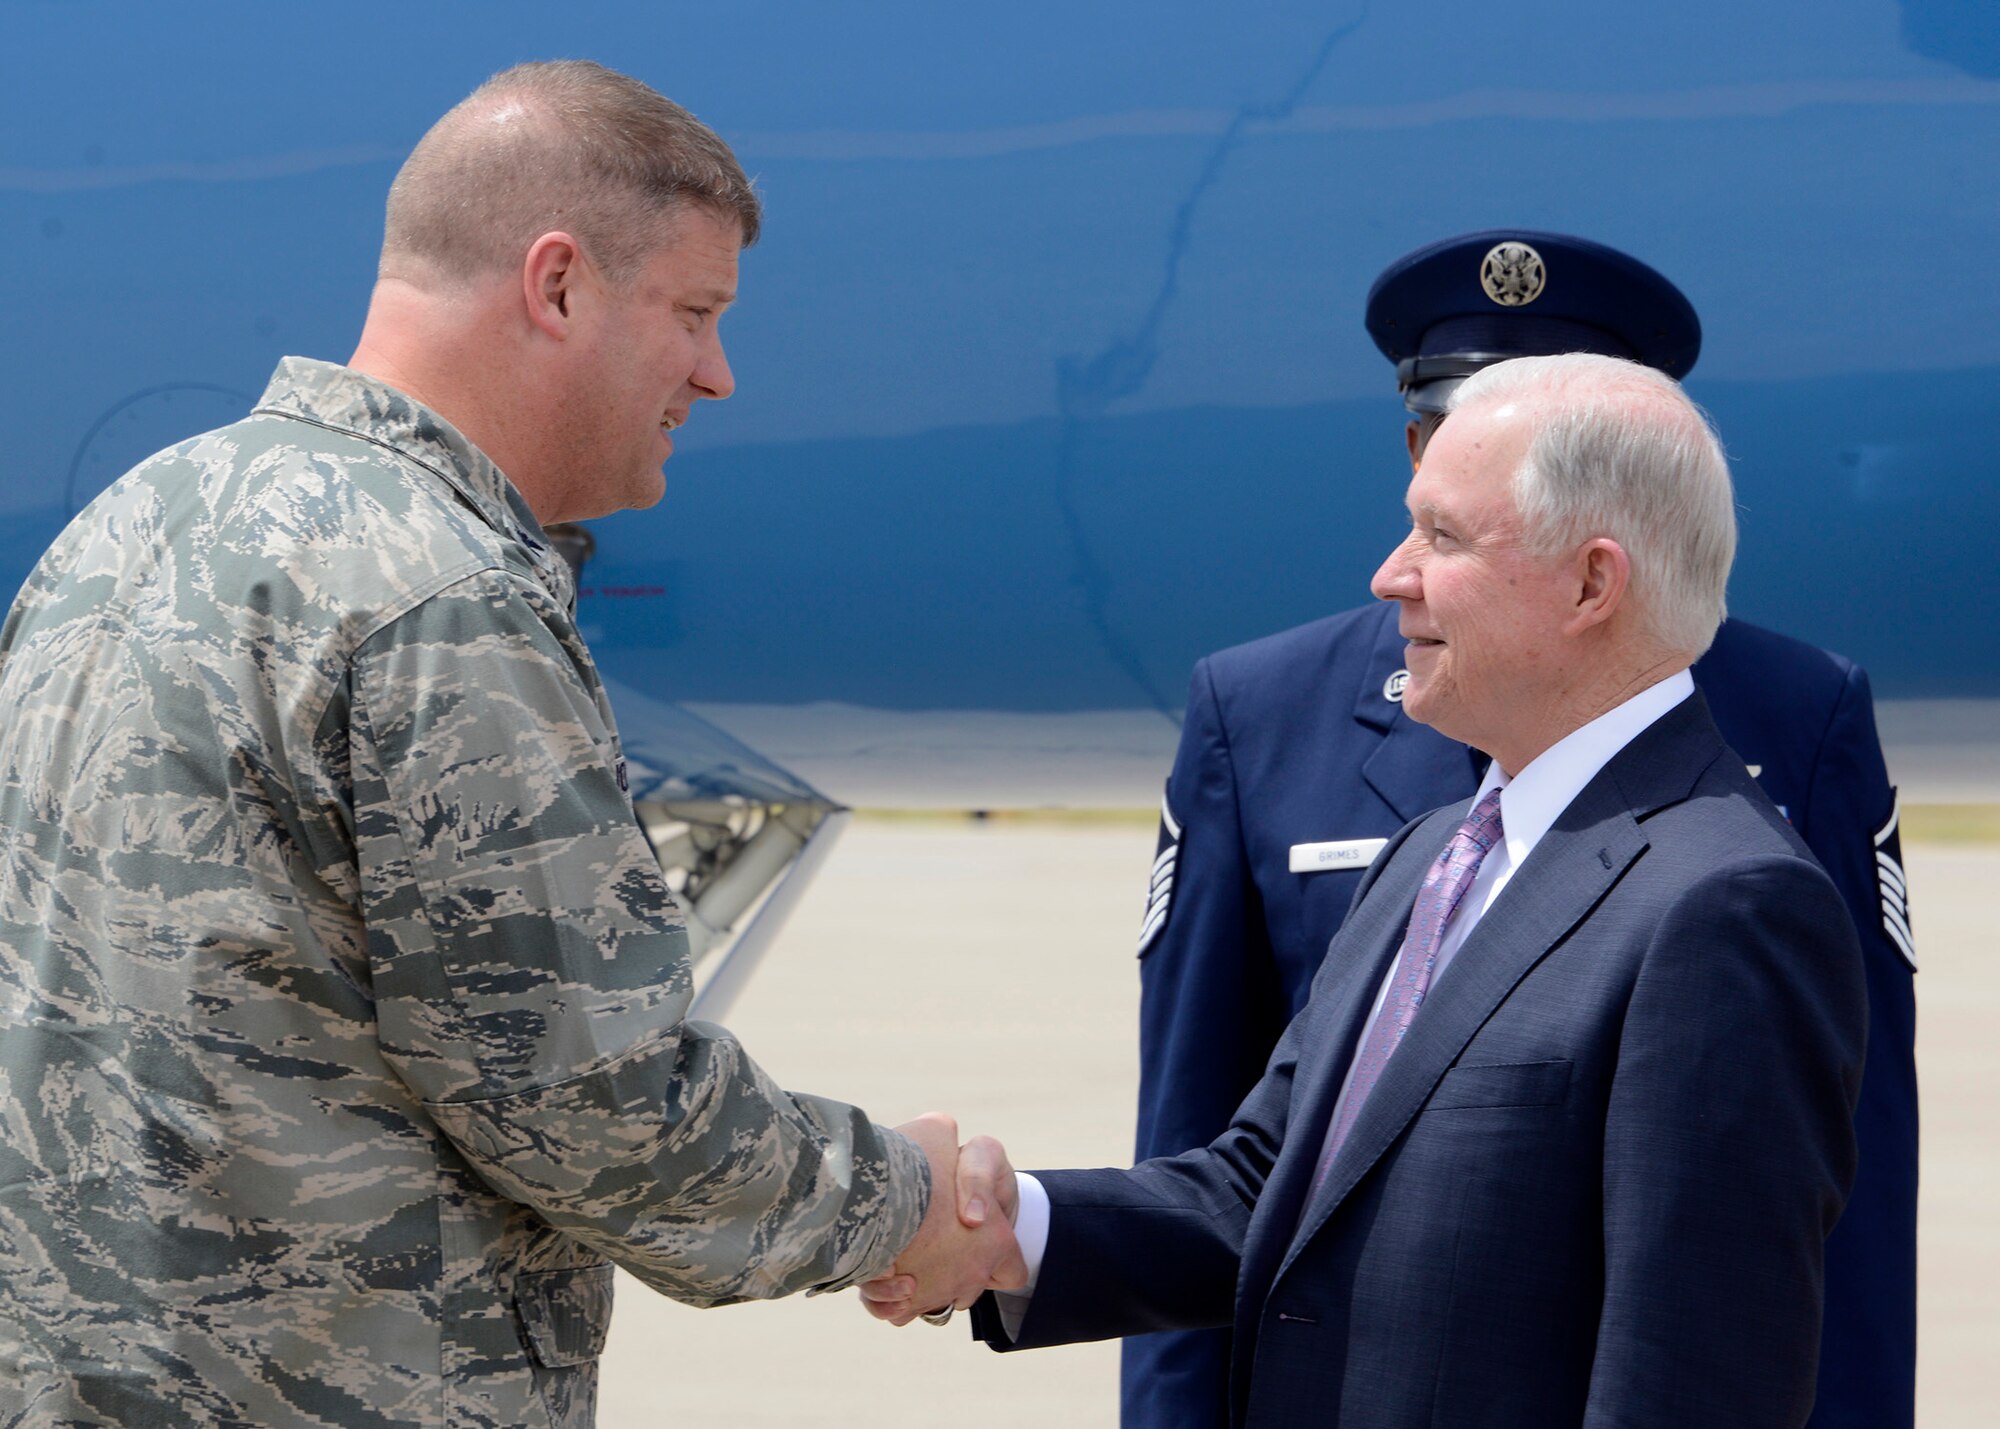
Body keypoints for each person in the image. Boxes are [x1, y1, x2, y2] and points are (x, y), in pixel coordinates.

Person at [0, 61, 1015, 1427]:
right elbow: (591, 1102)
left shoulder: (127, 527)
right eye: (695, 314)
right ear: (556, 286)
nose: (717, 373)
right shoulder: (440, 595)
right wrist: (899, 1196)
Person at [867, 352, 1870, 1428]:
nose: (1390, 574)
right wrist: (997, 1224)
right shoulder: (1432, 854)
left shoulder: (1722, 905)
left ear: (1591, 584)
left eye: (1442, 537)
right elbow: (1272, 1188)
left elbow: (1691, 1376)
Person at [1125, 231, 1916, 1429]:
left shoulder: (1774, 756)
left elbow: (1822, 1213)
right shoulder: (1286, 733)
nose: (1394, 575)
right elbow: (1231, 1150)